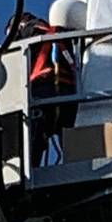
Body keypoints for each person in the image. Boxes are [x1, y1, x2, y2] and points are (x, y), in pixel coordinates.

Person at [8, 11, 78, 166]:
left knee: (32, 142)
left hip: (42, 88)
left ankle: (27, 170)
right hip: (68, 92)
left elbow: (12, 55)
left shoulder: (29, 29)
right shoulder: (59, 33)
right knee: (72, 146)